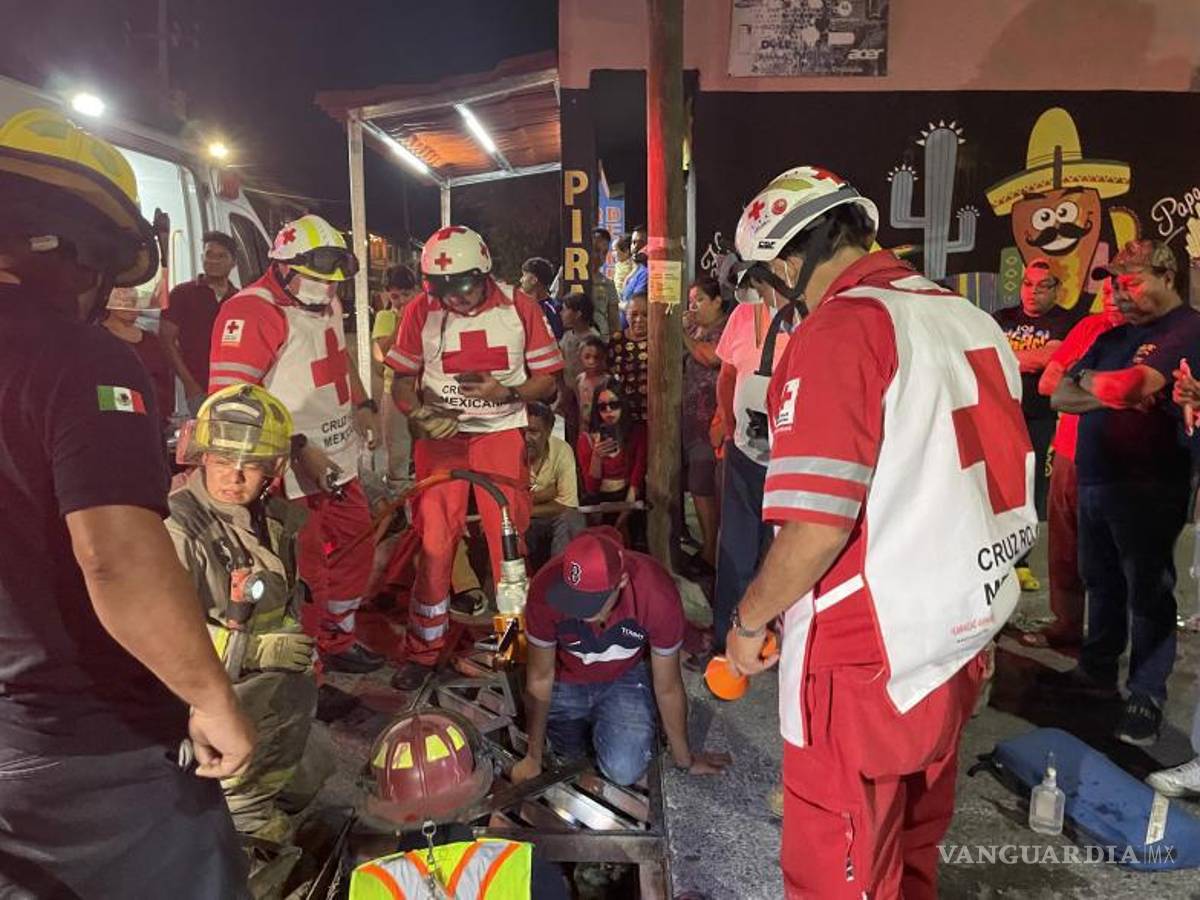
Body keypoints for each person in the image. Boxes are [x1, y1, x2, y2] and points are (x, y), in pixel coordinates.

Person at [725, 166, 1035, 898]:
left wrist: (748, 622)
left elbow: (815, 529)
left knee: (837, 868)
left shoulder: (841, 331)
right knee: (913, 847)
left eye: (765, 284)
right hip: (958, 630)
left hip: (865, 654)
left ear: (786, 264)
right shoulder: (966, 317)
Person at [0, 106, 252, 897]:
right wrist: (211, 698)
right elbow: (116, 558)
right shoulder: (80, 360)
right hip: (87, 743)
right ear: (78, 253)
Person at [386, 225, 563, 690]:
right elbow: (401, 380)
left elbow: (548, 379)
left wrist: (509, 392)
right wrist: (419, 413)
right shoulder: (419, 310)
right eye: (442, 290)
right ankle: (423, 650)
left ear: (484, 274)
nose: (455, 299)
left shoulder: (519, 307)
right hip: (441, 440)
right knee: (434, 544)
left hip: (499, 434)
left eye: (463, 287)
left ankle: (513, 648)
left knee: (508, 543)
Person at [209, 214, 384, 674]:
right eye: (317, 279)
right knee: (306, 575)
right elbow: (232, 403)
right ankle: (309, 673)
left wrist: (364, 404)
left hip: (337, 463)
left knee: (356, 549)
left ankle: (337, 639)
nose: (328, 289)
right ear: (283, 266)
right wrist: (298, 446)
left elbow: (337, 359)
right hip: (285, 475)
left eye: (334, 281)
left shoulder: (326, 303)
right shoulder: (251, 311)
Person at [167, 384, 331, 859]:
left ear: (273, 469)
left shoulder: (269, 519)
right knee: (253, 823)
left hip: (273, 698)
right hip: (213, 710)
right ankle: (243, 846)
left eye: (251, 465)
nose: (234, 476)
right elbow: (157, 636)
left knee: (314, 767)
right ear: (202, 455)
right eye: (222, 460)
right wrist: (256, 649)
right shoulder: (178, 528)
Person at [1050, 239, 1200, 746]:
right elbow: (1059, 394)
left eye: (1132, 281)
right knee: (1101, 581)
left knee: (1147, 591)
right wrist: (1105, 388)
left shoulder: (1187, 329)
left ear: (1167, 277)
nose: (1119, 292)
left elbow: (1131, 386)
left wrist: (1092, 381)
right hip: (1096, 473)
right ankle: (1097, 670)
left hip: (1151, 480)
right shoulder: (1113, 337)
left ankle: (1146, 694)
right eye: (1115, 283)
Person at [511, 529, 731, 787]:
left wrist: (685, 760)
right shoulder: (544, 587)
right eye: (574, 598)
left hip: (623, 676)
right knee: (565, 756)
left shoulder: (656, 593)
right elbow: (540, 677)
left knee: (625, 769)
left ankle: (636, 721)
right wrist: (533, 756)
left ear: (622, 581)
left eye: (591, 601)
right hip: (566, 677)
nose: (579, 611)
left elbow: (668, 686)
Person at [1022, 279, 1124, 649]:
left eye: (1119, 289)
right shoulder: (1089, 327)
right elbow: (1050, 384)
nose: (1110, 297)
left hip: (1116, 456)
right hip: (1069, 450)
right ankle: (1066, 625)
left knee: (1109, 550)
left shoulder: (1145, 335)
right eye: (1106, 291)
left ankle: (1105, 639)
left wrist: (1078, 384)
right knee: (1064, 546)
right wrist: (1107, 389)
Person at [710, 270, 794, 658]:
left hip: (794, 462)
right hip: (745, 453)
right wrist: (730, 428)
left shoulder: (814, 316)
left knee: (788, 552)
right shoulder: (744, 315)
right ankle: (725, 638)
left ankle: (783, 641)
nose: (760, 292)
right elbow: (727, 375)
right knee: (736, 551)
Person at [993, 257, 1079, 592]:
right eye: (1028, 284)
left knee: (1030, 489)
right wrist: (1023, 359)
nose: (1033, 292)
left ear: (1058, 289)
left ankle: (1021, 562)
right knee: (996, 487)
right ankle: (997, 560)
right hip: (999, 414)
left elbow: (1046, 360)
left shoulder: (1067, 321)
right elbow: (987, 356)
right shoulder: (1001, 317)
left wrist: (1007, 356)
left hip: (1038, 417)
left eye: (1043, 286)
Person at [162, 230, 239, 413]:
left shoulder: (239, 299)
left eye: (221, 256)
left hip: (231, 390)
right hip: (195, 389)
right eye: (209, 254)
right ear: (202, 257)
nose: (213, 261)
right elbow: (166, 340)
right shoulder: (182, 293)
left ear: (233, 262)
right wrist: (189, 384)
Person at [682, 276, 730, 569]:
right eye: (691, 301)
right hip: (693, 421)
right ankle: (709, 549)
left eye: (700, 300)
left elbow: (711, 357)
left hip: (715, 419)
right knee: (698, 487)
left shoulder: (727, 328)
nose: (694, 306)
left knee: (710, 486)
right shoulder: (695, 328)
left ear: (717, 301)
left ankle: (714, 552)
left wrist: (681, 333)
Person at [576, 378, 647, 548]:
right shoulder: (586, 440)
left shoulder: (637, 433)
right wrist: (597, 457)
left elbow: (636, 478)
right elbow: (591, 488)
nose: (608, 411)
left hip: (628, 498)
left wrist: (622, 519)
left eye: (614, 405)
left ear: (623, 404)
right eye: (602, 407)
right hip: (599, 502)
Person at [102, 286, 176, 437]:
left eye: (133, 301)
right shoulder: (99, 337)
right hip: (117, 426)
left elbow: (165, 380)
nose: (130, 306)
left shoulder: (152, 340)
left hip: (156, 424)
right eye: (123, 300)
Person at [372, 264, 421, 486]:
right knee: (398, 447)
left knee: (423, 444)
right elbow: (381, 354)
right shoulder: (385, 317)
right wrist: (402, 321)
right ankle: (397, 489)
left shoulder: (425, 315)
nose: (401, 300)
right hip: (394, 391)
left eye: (407, 294)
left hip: (423, 390)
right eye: (395, 296)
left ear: (417, 291)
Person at [525, 401, 585, 571]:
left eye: (533, 431)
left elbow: (567, 505)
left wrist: (523, 506)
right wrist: (547, 494)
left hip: (549, 519)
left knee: (572, 519)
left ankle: (560, 575)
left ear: (548, 431)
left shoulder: (562, 450)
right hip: (521, 523)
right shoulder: (509, 451)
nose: (526, 438)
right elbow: (506, 504)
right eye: (522, 430)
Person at [607, 291, 649, 425]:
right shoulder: (616, 341)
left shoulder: (659, 342)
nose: (639, 320)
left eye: (645, 315)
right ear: (626, 315)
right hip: (623, 417)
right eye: (634, 314)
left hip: (653, 417)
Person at [520, 255, 564, 339]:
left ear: (534, 280)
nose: (521, 280)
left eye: (524, 275)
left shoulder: (554, 309)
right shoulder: (521, 307)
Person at [591, 227, 620, 338]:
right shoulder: (568, 276)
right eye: (596, 250)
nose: (600, 257)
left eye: (604, 253)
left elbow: (614, 324)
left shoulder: (608, 285)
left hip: (600, 341)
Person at [575, 334, 609, 426]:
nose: (592, 362)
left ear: (603, 358)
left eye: (596, 357)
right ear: (580, 357)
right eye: (587, 357)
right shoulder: (580, 379)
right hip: (584, 425)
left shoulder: (607, 381)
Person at [620, 225, 649, 306]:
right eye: (634, 242)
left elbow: (636, 304)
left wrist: (616, 305)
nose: (636, 246)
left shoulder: (646, 272)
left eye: (641, 242)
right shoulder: (635, 270)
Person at [611, 234, 636, 302]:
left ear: (626, 251)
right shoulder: (618, 265)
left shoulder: (633, 265)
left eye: (615, 250)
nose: (612, 254)